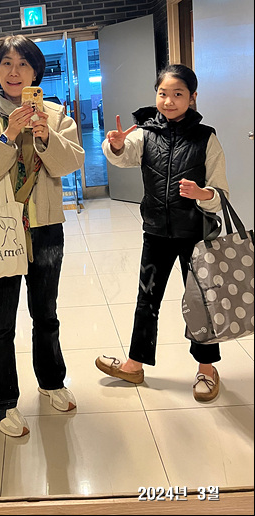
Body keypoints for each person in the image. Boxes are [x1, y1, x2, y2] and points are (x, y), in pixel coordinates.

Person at [0, 35, 85, 437]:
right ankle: (1, 403)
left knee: (45, 313)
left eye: (23, 64)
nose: (14, 72)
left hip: (45, 228)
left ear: (36, 72)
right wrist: (7, 137)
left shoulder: (55, 114)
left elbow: (72, 162)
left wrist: (46, 136)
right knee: (1, 320)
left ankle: (51, 382)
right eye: (6, 64)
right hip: (3, 230)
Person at [95, 64, 229, 402]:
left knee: (201, 301)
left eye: (177, 94)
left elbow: (221, 193)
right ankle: (134, 364)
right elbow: (124, 157)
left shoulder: (206, 137)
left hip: (195, 235)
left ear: (192, 97)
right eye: (162, 93)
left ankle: (207, 369)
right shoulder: (145, 133)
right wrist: (115, 145)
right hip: (155, 231)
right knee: (147, 299)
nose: (168, 101)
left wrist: (203, 193)